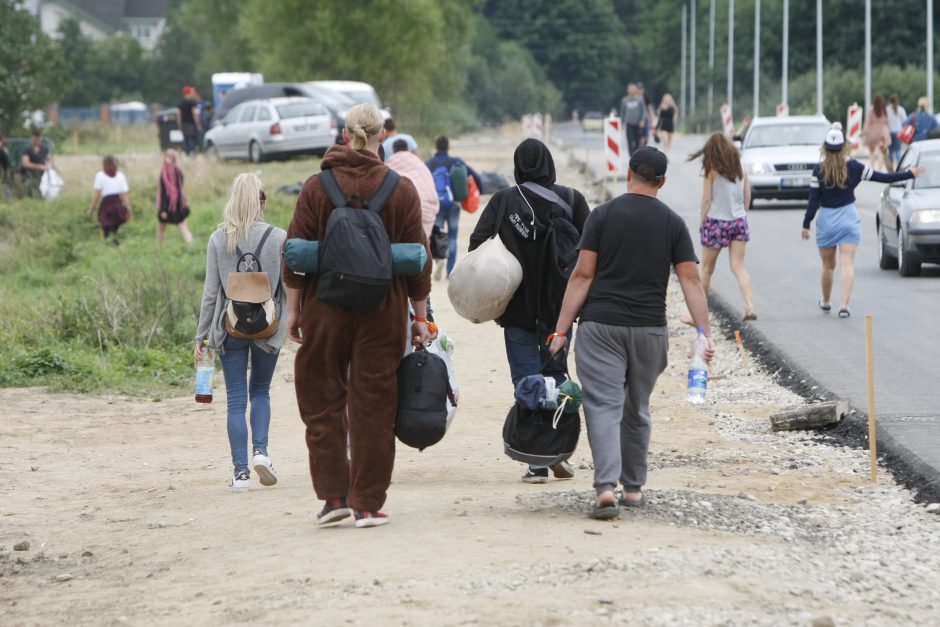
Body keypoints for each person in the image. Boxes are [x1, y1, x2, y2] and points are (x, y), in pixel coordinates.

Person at [282, 104, 432, 528]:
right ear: (382, 136)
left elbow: (292, 255)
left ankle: (333, 498)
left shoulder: (317, 187)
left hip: (324, 308)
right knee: (374, 404)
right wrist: (419, 318)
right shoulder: (400, 190)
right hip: (382, 310)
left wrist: (294, 310)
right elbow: (419, 261)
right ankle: (367, 503)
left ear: (345, 136)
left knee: (322, 399)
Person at [547, 147, 715, 520]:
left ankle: (606, 488)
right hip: (649, 330)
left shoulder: (602, 216)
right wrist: (704, 332)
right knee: (636, 407)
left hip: (600, 327)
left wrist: (560, 329)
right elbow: (690, 279)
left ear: (629, 174)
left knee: (604, 406)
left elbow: (583, 275)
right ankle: (635, 489)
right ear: (662, 181)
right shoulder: (672, 223)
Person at [468, 138, 590, 484]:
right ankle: (557, 449)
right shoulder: (571, 200)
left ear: (518, 165)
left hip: (517, 311)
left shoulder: (505, 200)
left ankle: (537, 461)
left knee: (526, 380)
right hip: (559, 314)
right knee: (556, 377)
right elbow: (591, 251)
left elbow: (477, 245)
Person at [195, 173, 287, 492]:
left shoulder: (219, 240)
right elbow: (288, 290)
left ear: (233, 201)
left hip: (229, 327)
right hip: (268, 328)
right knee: (259, 391)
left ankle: (241, 474)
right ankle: (261, 452)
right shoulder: (279, 237)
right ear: (262, 202)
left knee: (236, 399)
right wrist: (289, 325)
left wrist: (201, 337)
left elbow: (210, 293)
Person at [801, 126, 924, 318]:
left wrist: (806, 224)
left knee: (828, 265)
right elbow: (882, 177)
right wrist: (909, 174)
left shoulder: (818, 170)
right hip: (849, 218)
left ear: (825, 148)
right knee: (847, 263)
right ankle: (844, 306)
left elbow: (813, 200)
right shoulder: (856, 167)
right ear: (844, 147)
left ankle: (825, 302)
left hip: (827, 220)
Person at [686, 133, 756, 321]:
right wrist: (742, 213)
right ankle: (749, 306)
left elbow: (706, 198)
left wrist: (702, 222)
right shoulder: (740, 166)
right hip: (738, 220)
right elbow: (747, 194)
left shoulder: (712, 170)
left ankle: (698, 314)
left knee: (707, 270)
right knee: (739, 267)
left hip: (716, 222)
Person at [426, 135, 482, 279]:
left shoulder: (430, 164)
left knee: (437, 235)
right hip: (454, 205)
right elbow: (476, 176)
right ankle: (450, 271)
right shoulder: (456, 162)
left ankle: (439, 261)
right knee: (452, 237)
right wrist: (480, 191)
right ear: (448, 147)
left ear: (435, 147)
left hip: (437, 205)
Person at [386, 139, 438, 239]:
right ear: (408, 149)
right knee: (422, 244)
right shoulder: (419, 164)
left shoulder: (390, 163)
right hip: (426, 206)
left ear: (393, 150)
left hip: (406, 209)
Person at [87, 155, 131, 241]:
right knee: (115, 230)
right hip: (118, 206)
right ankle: (117, 246)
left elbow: (97, 195)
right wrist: (128, 210)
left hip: (107, 206)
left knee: (107, 231)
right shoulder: (120, 176)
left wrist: (91, 209)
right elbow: (125, 196)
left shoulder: (100, 175)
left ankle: (112, 246)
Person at [156, 149, 194, 245]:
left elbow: (165, 193)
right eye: (166, 157)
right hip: (177, 204)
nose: (167, 160)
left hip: (173, 205)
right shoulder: (172, 173)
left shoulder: (171, 174)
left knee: (181, 225)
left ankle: (190, 244)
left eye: (169, 157)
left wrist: (164, 209)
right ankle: (159, 246)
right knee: (162, 227)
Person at [863, 92, 891, 172]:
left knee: (871, 152)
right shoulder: (885, 109)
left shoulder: (871, 109)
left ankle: (872, 168)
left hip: (873, 131)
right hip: (883, 131)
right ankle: (879, 168)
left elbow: (868, 121)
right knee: (881, 152)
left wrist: (865, 131)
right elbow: (887, 120)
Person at [20, 130, 52, 195]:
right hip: (29, 172)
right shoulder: (27, 148)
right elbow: (26, 163)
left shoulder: (44, 148)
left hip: (41, 172)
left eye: (39, 139)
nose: (37, 141)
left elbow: (50, 159)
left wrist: (49, 165)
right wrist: (39, 166)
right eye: (36, 139)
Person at [619, 83, 646, 156]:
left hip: (638, 123)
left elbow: (643, 111)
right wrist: (622, 122)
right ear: (628, 91)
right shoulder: (624, 100)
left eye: (633, 90)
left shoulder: (640, 99)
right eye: (630, 90)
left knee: (637, 140)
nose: (632, 91)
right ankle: (631, 155)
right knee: (630, 141)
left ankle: (636, 153)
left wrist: (642, 120)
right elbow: (622, 112)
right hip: (629, 123)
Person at [177, 86, 203, 156]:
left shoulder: (181, 103)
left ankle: (188, 153)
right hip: (191, 124)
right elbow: (194, 114)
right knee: (193, 139)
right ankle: (193, 152)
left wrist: (179, 126)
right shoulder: (192, 103)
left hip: (184, 124)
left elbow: (179, 116)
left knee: (186, 139)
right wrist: (198, 125)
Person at [886, 94, 907, 167]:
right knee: (898, 151)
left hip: (889, 133)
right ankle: (900, 167)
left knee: (890, 152)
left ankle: (890, 169)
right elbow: (905, 121)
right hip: (898, 133)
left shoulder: (887, 109)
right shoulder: (900, 109)